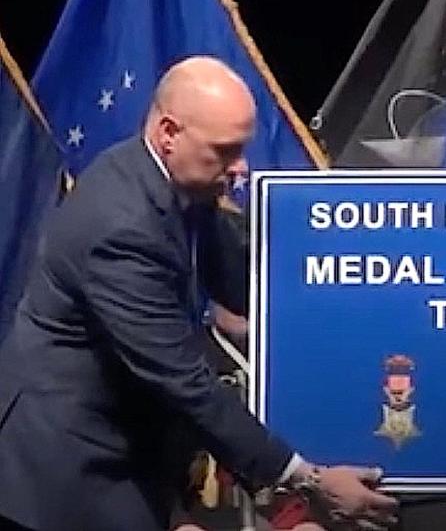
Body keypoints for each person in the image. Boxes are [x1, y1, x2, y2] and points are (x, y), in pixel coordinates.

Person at [0, 56, 398, 531]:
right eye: (226, 152)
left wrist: (347, 312)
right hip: (71, 461)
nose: (242, 170)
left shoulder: (182, 186)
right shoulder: (121, 227)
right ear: (169, 134)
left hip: (133, 438)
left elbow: (241, 282)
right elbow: (184, 382)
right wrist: (306, 478)